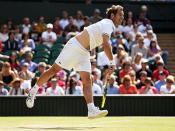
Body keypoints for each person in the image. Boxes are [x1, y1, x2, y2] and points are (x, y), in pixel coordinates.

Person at [26, 5, 124, 119]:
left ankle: (91, 109)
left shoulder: (108, 25)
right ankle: (32, 92)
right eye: (120, 15)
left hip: (84, 52)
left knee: (88, 79)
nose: (122, 18)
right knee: (54, 70)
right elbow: (106, 44)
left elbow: (104, 43)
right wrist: (112, 62)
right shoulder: (108, 23)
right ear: (112, 15)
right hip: (75, 47)